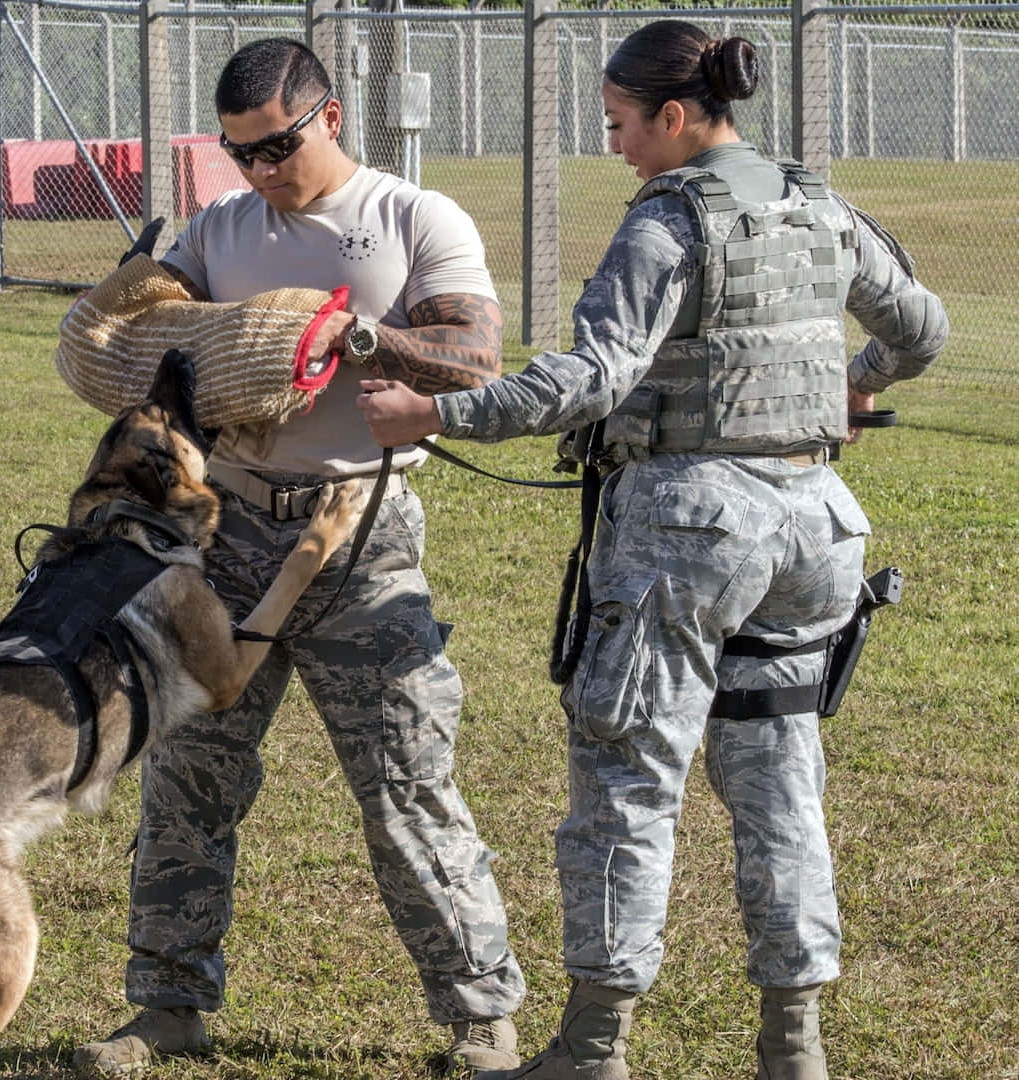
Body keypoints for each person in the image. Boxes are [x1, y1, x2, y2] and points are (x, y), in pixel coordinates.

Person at [355, 20, 947, 1080]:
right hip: (815, 527)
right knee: (780, 781)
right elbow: (922, 328)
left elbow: (590, 378)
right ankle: (794, 1048)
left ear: (676, 116)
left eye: (622, 125)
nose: (617, 145)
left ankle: (592, 1047)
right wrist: (854, 385)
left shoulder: (669, 225)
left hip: (690, 534)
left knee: (630, 779)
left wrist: (436, 416)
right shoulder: (816, 200)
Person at [70, 36, 528, 1076]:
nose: (262, 171)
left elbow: (476, 356)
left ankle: (479, 1016)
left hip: (360, 531)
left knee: (406, 778)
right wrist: (121, 315)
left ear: (328, 117)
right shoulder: (220, 229)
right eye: (241, 154)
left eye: (278, 145)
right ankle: (167, 1006)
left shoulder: (412, 218)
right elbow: (150, 337)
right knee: (187, 773)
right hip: (228, 532)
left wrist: (355, 339)